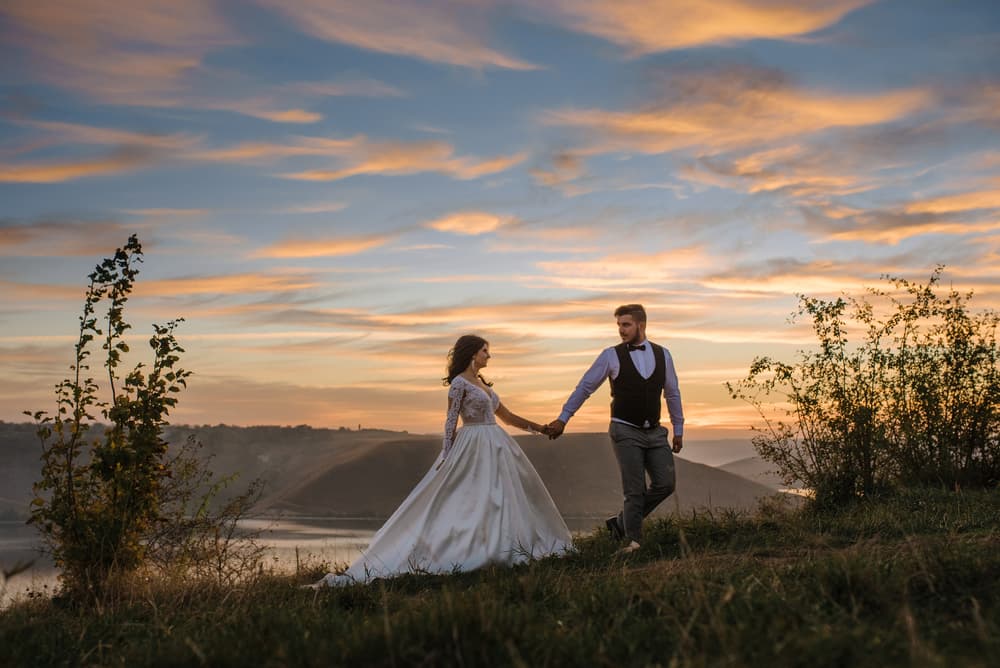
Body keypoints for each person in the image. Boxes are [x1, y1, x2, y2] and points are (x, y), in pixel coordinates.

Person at [312, 335, 572, 586]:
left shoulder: (483, 384)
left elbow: (508, 417)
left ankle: (503, 546)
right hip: (472, 444)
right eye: (485, 351)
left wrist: (541, 428)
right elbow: (451, 421)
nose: (489, 355)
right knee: (471, 497)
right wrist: (448, 455)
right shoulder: (459, 383)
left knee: (501, 496)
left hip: (496, 444)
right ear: (472, 353)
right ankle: (470, 550)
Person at [547, 304, 684, 554]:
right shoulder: (610, 355)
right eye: (619, 325)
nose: (621, 330)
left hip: (655, 432)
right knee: (634, 490)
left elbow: (672, 393)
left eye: (626, 324)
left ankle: (620, 524)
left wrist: (679, 428)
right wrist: (563, 418)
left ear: (641, 325)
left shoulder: (663, 354)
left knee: (666, 484)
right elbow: (585, 387)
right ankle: (634, 542)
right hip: (624, 430)